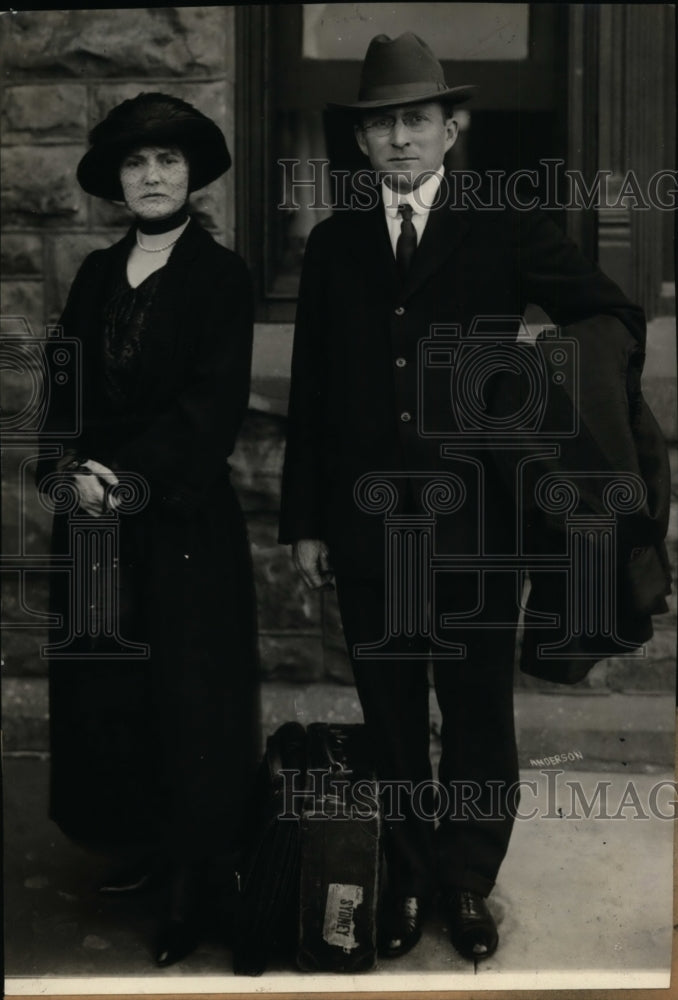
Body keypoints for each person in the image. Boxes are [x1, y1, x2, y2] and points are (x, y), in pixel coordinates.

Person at [279, 33, 651, 963]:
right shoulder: (332, 246)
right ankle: (405, 876)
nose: (400, 140)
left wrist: (532, 373)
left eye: (417, 120)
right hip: (368, 526)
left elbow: (611, 315)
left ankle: (468, 880)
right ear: (361, 144)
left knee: (477, 709)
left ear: (453, 129)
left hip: (478, 523)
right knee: (391, 708)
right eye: (382, 126)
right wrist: (306, 522)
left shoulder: (503, 226)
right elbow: (313, 391)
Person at [36, 92, 259, 967]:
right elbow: (64, 386)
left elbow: (211, 407)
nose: (154, 175)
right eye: (137, 163)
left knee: (187, 697)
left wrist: (122, 478)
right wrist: (69, 467)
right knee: (112, 692)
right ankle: (140, 843)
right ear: (118, 183)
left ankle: (194, 879)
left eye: (168, 161)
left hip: (177, 520)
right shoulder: (95, 274)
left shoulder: (220, 276)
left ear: (191, 175)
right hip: (94, 522)